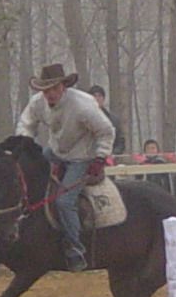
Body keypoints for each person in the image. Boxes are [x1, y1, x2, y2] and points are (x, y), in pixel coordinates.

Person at [17, 63, 115, 272]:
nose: (49, 94)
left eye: (53, 88)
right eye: (45, 90)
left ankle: (76, 250)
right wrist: (24, 144)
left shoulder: (83, 106)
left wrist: (99, 157)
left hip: (82, 157)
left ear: (63, 86)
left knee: (63, 201)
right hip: (55, 151)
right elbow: (26, 123)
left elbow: (106, 131)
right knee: (27, 180)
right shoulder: (37, 103)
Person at [88, 85, 126, 155]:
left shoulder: (113, 120)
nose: (97, 99)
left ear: (103, 98)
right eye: (94, 96)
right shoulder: (83, 119)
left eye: (99, 96)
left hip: (109, 158)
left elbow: (120, 142)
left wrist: (113, 154)